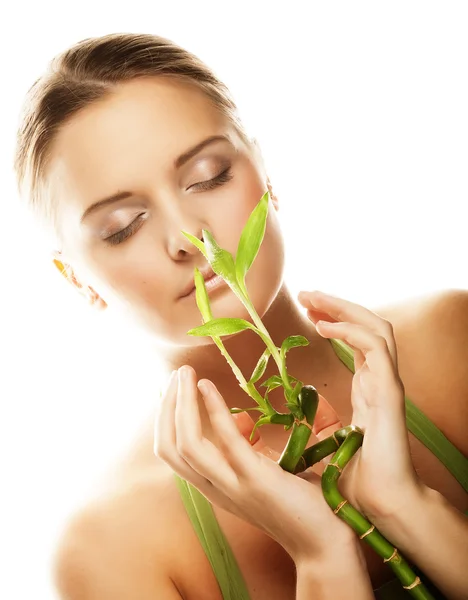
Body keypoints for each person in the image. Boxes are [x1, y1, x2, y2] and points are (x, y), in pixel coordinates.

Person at [14, 32, 467, 599]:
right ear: (77, 278)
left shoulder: (452, 343)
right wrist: (321, 554)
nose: (188, 236)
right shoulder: (111, 548)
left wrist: (407, 506)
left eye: (208, 175)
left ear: (263, 171)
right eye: (123, 225)